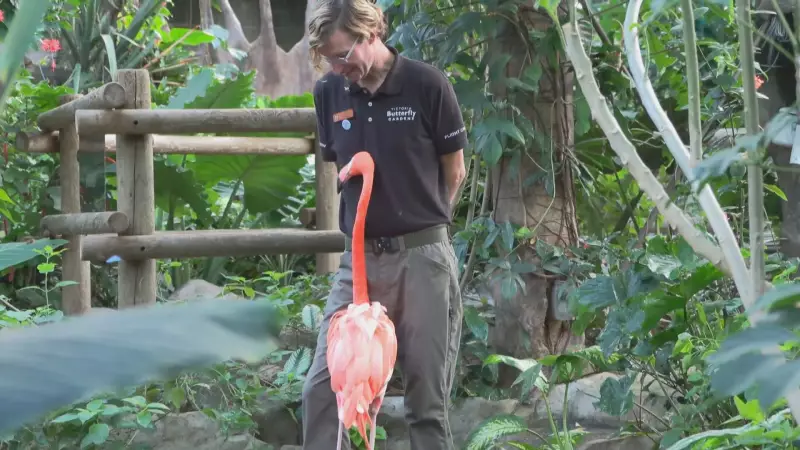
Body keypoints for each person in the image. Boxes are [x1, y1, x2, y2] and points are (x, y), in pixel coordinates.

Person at [301, 0, 468, 449]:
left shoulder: (426, 85)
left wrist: (424, 225)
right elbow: (344, 165)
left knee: (425, 400)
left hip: (422, 261)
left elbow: (455, 172)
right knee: (319, 389)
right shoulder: (329, 93)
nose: (337, 69)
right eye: (328, 60)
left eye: (342, 56)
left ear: (370, 32)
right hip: (358, 266)